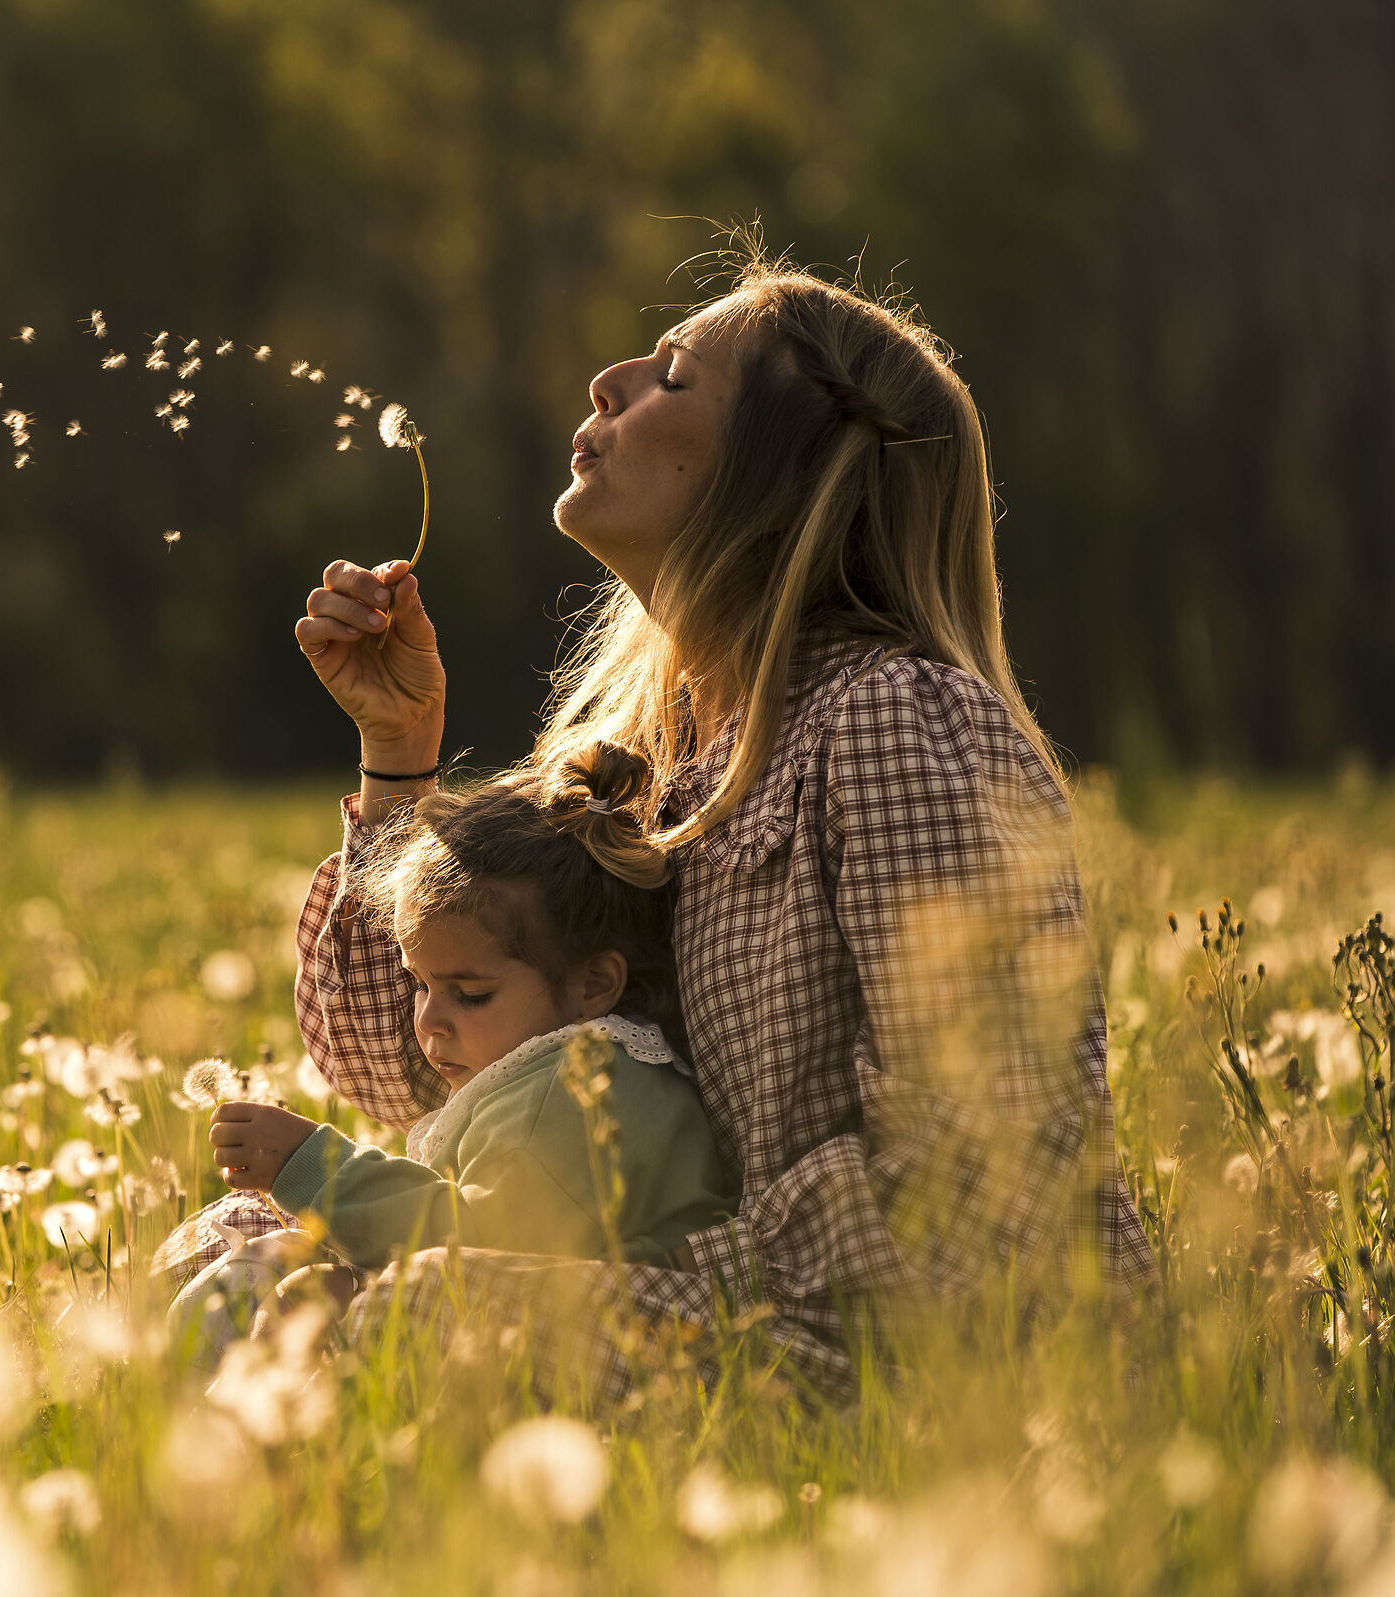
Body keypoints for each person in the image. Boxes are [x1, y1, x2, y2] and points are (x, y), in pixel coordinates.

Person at [157, 241, 1157, 1404]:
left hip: (913, 1361)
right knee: (243, 1240)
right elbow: (415, 1069)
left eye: (675, 376)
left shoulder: (893, 723)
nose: (609, 379)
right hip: (717, 1305)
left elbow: (984, 1185)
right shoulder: (647, 766)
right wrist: (398, 753)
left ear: (783, 472)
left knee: (415, 1310)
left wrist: (626, 1274)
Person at [202, 750, 732, 1280]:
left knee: (262, 1274)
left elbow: (474, 1249)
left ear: (591, 985)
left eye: (470, 994)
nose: (429, 1020)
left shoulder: (577, 1092)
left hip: (620, 1338)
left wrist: (316, 1168)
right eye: (420, 984)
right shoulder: (566, 1071)